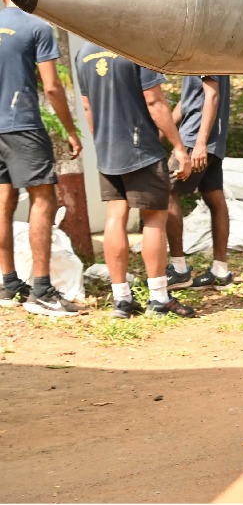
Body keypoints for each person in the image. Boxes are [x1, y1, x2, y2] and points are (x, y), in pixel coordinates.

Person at [76, 47, 195, 318]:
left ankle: (121, 300)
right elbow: (154, 102)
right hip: (140, 148)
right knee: (154, 218)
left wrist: (102, 140)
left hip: (107, 148)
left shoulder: (82, 52)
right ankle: (159, 297)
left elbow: (87, 105)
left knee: (115, 217)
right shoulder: (133, 46)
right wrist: (178, 146)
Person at [0, 0, 84, 316]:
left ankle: (6, 284)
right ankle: (41, 289)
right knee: (43, 199)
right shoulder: (37, 27)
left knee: (3, 200)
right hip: (21, 124)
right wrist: (70, 130)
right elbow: (51, 87)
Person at [165, 74, 233, 290]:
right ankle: (220, 271)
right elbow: (187, 102)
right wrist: (161, 133)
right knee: (214, 196)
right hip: (213, 138)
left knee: (166, 191)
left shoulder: (205, 51)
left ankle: (179, 269)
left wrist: (200, 143)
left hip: (196, 138)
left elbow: (212, 95)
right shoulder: (203, 52)